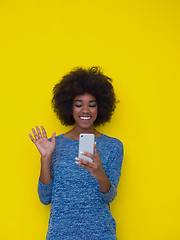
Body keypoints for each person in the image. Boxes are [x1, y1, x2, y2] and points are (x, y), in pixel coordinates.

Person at [29, 66, 124, 240]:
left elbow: (109, 197)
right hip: (60, 234)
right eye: (78, 105)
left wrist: (99, 172)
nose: (85, 110)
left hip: (100, 234)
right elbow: (45, 198)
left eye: (92, 105)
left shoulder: (113, 146)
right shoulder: (53, 145)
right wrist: (45, 157)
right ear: (69, 108)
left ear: (101, 107)